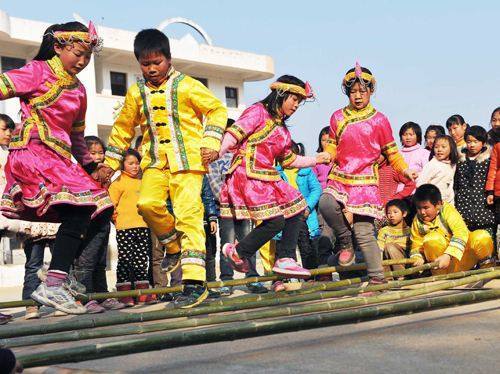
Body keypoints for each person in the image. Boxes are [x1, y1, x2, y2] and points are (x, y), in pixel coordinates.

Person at [96, 29, 227, 308]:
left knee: (189, 216)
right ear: (138, 63)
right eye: (146, 64)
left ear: (169, 59)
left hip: (188, 163)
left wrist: (211, 140)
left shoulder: (188, 85)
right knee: (147, 204)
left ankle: (194, 283)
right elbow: (122, 129)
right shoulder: (136, 93)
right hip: (154, 162)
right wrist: (109, 163)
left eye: (157, 62)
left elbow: (216, 110)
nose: (152, 68)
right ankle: (173, 246)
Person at [0, 22, 114, 314]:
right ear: (59, 46)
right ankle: (54, 282)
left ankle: (60, 277)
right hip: (34, 154)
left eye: (87, 56)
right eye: (77, 53)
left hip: (60, 161)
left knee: (101, 207)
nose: (82, 61)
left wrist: (92, 168)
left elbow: (77, 138)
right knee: (79, 211)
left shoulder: (80, 91)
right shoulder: (39, 71)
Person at [219, 75, 330, 280]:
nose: (296, 105)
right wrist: (216, 153)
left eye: (300, 102)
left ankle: (284, 258)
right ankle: (238, 252)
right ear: (281, 94)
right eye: (294, 99)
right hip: (247, 174)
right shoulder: (258, 111)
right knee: (276, 221)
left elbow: (289, 160)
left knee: (297, 206)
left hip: (267, 176)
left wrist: (316, 160)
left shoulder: (282, 130)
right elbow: (234, 133)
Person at [318, 63, 414, 286]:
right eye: (353, 92)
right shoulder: (337, 117)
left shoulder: (380, 120)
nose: (358, 96)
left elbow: (392, 152)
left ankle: (377, 279)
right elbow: (332, 145)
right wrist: (326, 155)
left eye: (363, 91)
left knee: (363, 232)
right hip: (341, 175)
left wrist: (405, 170)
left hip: (365, 181)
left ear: (371, 91)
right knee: (325, 202)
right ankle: (344, 241)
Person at [410, 184, 494, 274]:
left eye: (426, 207)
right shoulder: (417, 221)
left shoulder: (447, 210)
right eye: (419, 208)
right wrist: (417, 258)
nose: (422, 212)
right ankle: (440, 278)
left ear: (438, 204)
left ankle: (487, 271)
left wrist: (448, 255)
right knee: (432, 238)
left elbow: (461, 232)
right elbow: (416, 244)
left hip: (463, 257)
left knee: (482, 236)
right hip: (441, 267)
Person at [108, 149, 155, 306]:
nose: (135, 167)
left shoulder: (144, 182)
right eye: (131, 163)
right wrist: (117, 221)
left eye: (137, 163)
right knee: (126, 260)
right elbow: (111, 205)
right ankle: (125, 294)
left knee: (142, 260)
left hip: (143, 226)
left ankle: (142, 292)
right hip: (124, 228)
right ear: (123, 165)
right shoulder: (118, 183)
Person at [276, 142, 322, 271]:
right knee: (283, 246)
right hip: (283, 214)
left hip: (302, 215)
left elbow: (316, 189)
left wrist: (307, 207)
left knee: (306, 245)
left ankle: (310, 276)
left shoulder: (306, 171)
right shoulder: (276, 173)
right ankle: (284, 278)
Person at [454, 126, 495, 236]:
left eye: (476, 141)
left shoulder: (489, 159)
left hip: (484, 209)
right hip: (463, 208)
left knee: (486, 243)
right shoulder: (459, 159)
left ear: (483, 142)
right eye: (469, 141)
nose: (472, 145)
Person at [417, 135, 458, 205]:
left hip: (448, 205)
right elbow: (420, 184)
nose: (439, 150)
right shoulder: (432, 164)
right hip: (434, 204)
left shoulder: (452, 165)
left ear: (451, 148)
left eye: (443, 147)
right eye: (436, 147)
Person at [377, 199, 411, 277]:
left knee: (390, 247)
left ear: (404, 213)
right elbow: (379, 249)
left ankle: (402, 276)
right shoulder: (384, 231)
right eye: (389, 213)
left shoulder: (410, 230)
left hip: (406, 264)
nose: (391, 215)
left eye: (395, 212)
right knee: (386, 249)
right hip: (388, 267)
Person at [486, 107, 500, 223]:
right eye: (494, 120)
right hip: (495, 188)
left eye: (499, 120)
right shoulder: (486, 139)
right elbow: (493, 168)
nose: (496, 124)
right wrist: (490, 191)